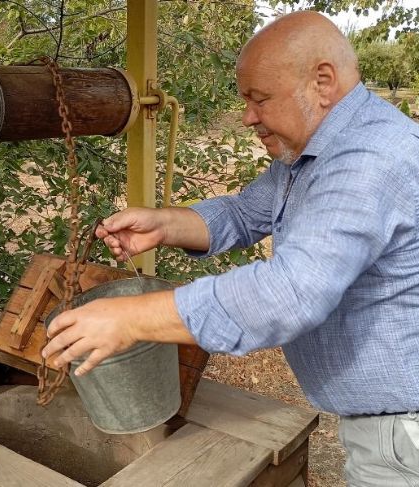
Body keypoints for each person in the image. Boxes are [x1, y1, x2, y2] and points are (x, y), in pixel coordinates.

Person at [42, 10, 419, 486]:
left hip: (404, 437)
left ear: (323, 82)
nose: (247, 117)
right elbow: (245, 213)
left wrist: (131, 318)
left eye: (259, 99)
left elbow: (290, 294)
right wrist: (165, 224)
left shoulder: (369, 161)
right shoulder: (311, 152)